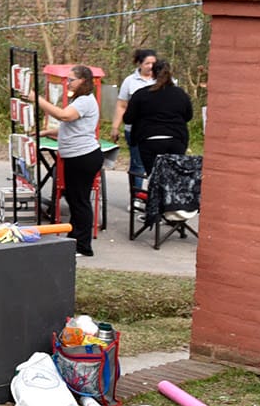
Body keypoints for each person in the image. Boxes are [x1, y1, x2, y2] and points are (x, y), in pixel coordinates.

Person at [37, 65, 102, 257]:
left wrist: (38, 100)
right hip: (75, 156)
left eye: (71, 79)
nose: (68, 83)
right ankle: (74, 238)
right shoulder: (80, 100)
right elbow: (72, 128)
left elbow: (63, 116)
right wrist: (48, 132)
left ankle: (83, 246)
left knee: (80, 201)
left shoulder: (84, 101)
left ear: (82, 81)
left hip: (84, 157)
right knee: (74, 199)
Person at [123, 59, 192, 183]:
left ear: (153, 74)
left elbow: (128, 118)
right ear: (171, 74)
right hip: (176, 140)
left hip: (149, 140)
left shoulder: (141, 94)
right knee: (174, 178)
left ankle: (155, 200)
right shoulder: (181, 94)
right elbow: (188, 116)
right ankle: (171, 201)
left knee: (154, 178)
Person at [110, 48, 157, 193]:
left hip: (156, 130)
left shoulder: (162, 80)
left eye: (153, 63)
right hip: (134, 129)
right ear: (140, 64)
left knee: (157, 164)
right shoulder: (130, 81)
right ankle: (136, 195)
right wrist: (115, 126)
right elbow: (122, 105)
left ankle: (155, 197)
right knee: (138, 164)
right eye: (147, 63)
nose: (150, 66)